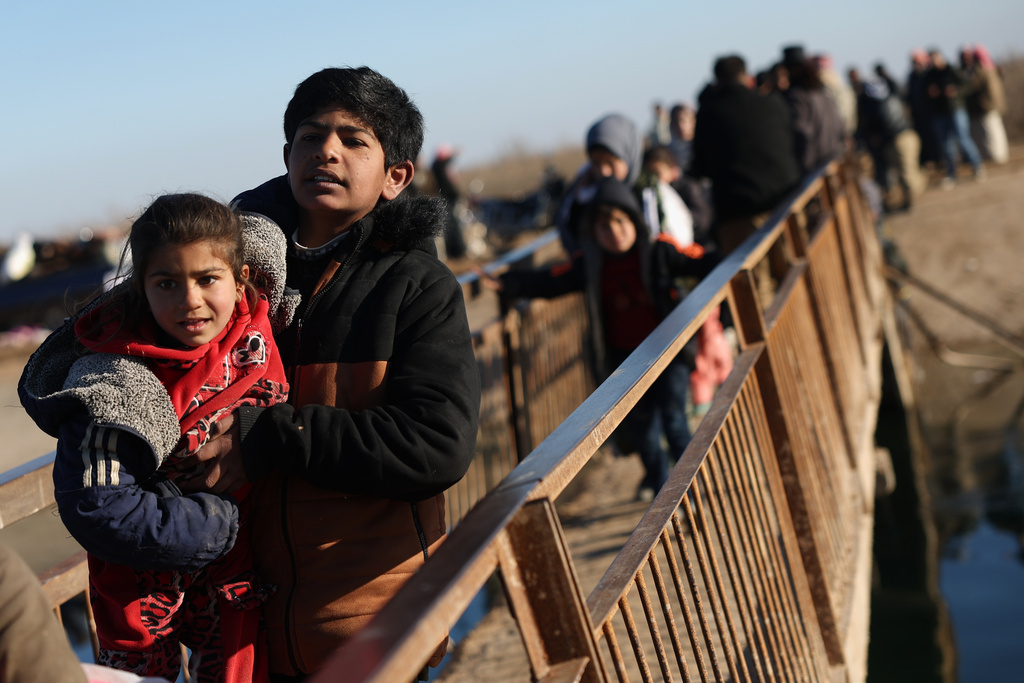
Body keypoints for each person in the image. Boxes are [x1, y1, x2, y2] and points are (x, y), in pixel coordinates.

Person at [194, 66, 480, 681]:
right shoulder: (229, 285)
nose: (326, 150)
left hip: (372, 632)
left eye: (354, 140)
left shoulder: (415, 288)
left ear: (395, 177)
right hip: (242, 635)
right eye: (310, 135)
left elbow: (437, 446)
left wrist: (271, 436)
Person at [18, 194, 297, 682]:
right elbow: (100, 509)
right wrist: (219, 524)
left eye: (208, 279)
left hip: (250, 582)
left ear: (241, 277)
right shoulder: (115, 380)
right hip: (144, 592)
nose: (190, 300)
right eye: (167, 283)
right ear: (141, 288)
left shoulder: (261, 332)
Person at [485, 178, 717, 501]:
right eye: (604, 227)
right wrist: (509, 283)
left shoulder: (658, 250)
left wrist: (728, 256)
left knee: (675, 421)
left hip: (669, 353)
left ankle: (692, 488)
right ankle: (665, 492)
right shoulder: (591, 264)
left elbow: (699, 260)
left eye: (621, 222)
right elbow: (553, 280)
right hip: (625, 360)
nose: (615, 232)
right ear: (594, 233)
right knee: (645, 431)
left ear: (634, 220)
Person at [691, 54, 802, 256]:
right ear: (746, 77)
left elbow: (701, 167)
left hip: (739, 214)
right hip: (785, 203)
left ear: (716, 81)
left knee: (755, 284)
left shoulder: (709, 114)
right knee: (792, 274)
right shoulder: (773, 104)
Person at [555, 113, 643, 254]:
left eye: (610, 162)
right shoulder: (581, 192)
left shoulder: (647, 194)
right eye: (596, 163)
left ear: (628, 156)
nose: (603, 172)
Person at [924, 49, 985, 186]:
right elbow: (923, 94)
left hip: (956, 109)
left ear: (940, 57)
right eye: (931, 59)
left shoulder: (951, 70)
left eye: (935, 58)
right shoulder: (929, 75)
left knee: (963, 138)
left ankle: (978, 166)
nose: (934, 62)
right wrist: (930, 93)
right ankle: (951, 174)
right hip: (939, 113)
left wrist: (955, 92)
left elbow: (967, 85)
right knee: (946, 145)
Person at [962, 44, 1009, 164]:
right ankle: (1000, 154)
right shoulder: (993, 68)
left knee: (989, 133)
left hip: (986, 105)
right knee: (996, 131)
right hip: (995, 104)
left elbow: (972, 86)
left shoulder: (981, 70)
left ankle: (996, 156)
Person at [430, 143, 468, 259]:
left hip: (450, 199)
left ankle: (457, 251)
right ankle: (457, 250)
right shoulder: (438, 166)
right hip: (446, 199)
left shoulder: (440, 166)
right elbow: (446, 162)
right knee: (451, 226)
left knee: (453, 224)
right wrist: (455, 154)